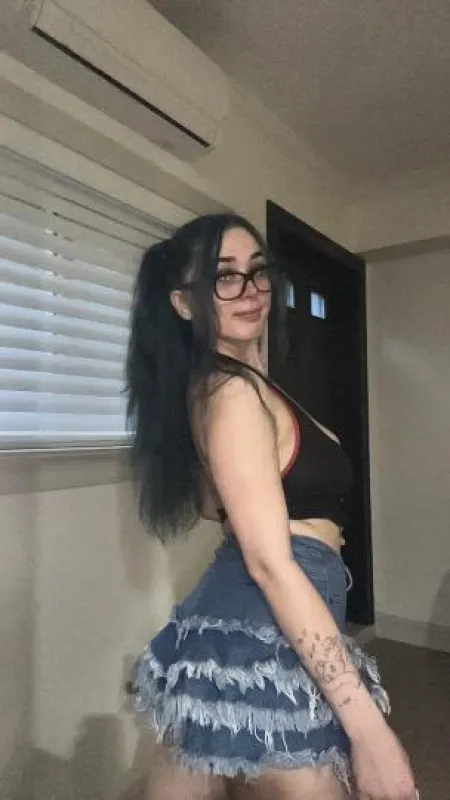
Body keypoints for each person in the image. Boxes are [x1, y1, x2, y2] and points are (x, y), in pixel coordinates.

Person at [125, 213, 417, 799]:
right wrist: (371, 732)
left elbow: (214, 506)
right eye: (223, 276)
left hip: (260, 606)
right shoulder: (230, 392)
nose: (250, 289)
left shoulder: (233, 385)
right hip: (268, 609)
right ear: (183, 303)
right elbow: (269, 563)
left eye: (258, 272)